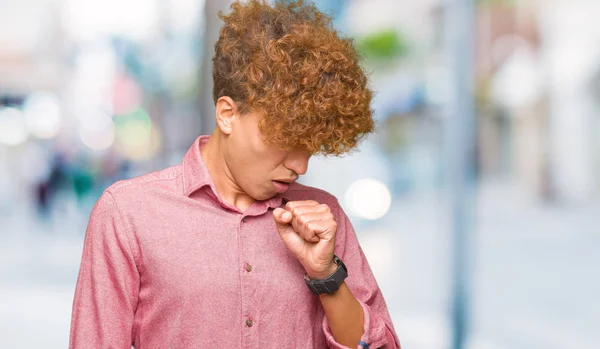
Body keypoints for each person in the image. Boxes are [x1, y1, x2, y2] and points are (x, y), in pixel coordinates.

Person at [69, 1, 400, 348]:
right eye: (286, 140)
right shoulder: (128, 215)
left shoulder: (324, 219)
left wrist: (327, 275)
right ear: (228, 114)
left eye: (311, 146)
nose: (300, 167)